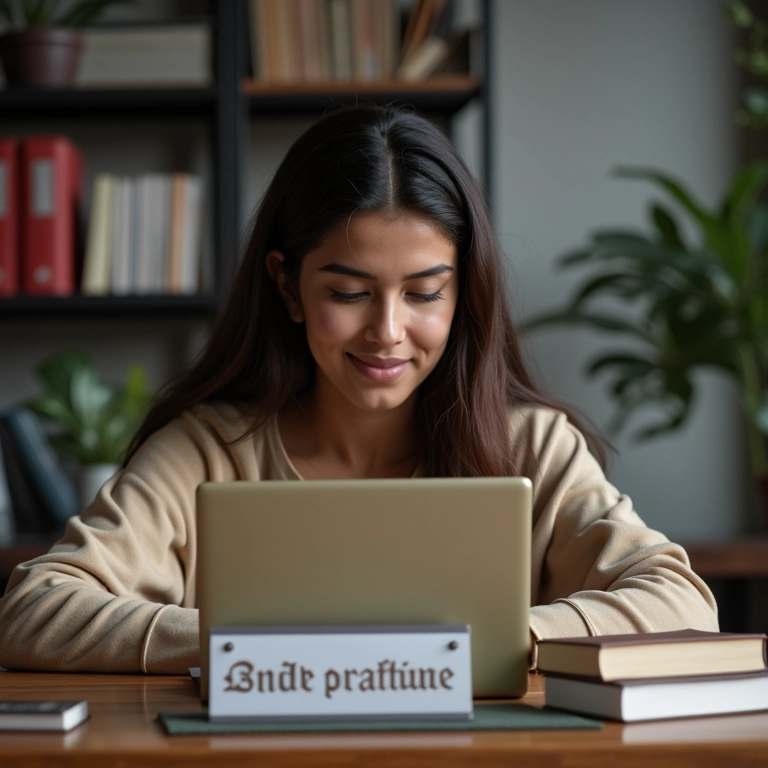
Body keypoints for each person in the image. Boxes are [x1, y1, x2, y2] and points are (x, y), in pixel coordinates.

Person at [0, 105, 717, 674]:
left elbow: (681, 603)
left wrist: (496, 640)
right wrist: (263, 650)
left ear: (464, 294)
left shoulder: (531, 446)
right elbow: (36, 610)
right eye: (349, 291)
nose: (387, 331)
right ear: (288, 287)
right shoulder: (209, 449)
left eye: (424, 294)